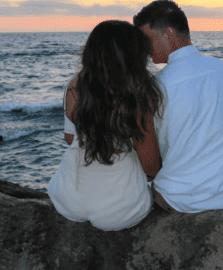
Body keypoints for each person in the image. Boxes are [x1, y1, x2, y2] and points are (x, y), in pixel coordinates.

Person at [133, 0, 223, 213]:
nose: (144, 50)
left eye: (146, 40)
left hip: (176, 201)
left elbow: (151, 167)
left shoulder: (154, 87)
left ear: (168, 34)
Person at [47, 20, 163, 231]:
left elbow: (70, 138)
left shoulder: (75, 84)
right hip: (119, 209)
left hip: (67, 198)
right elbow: (151, 167)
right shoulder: (140, 91)